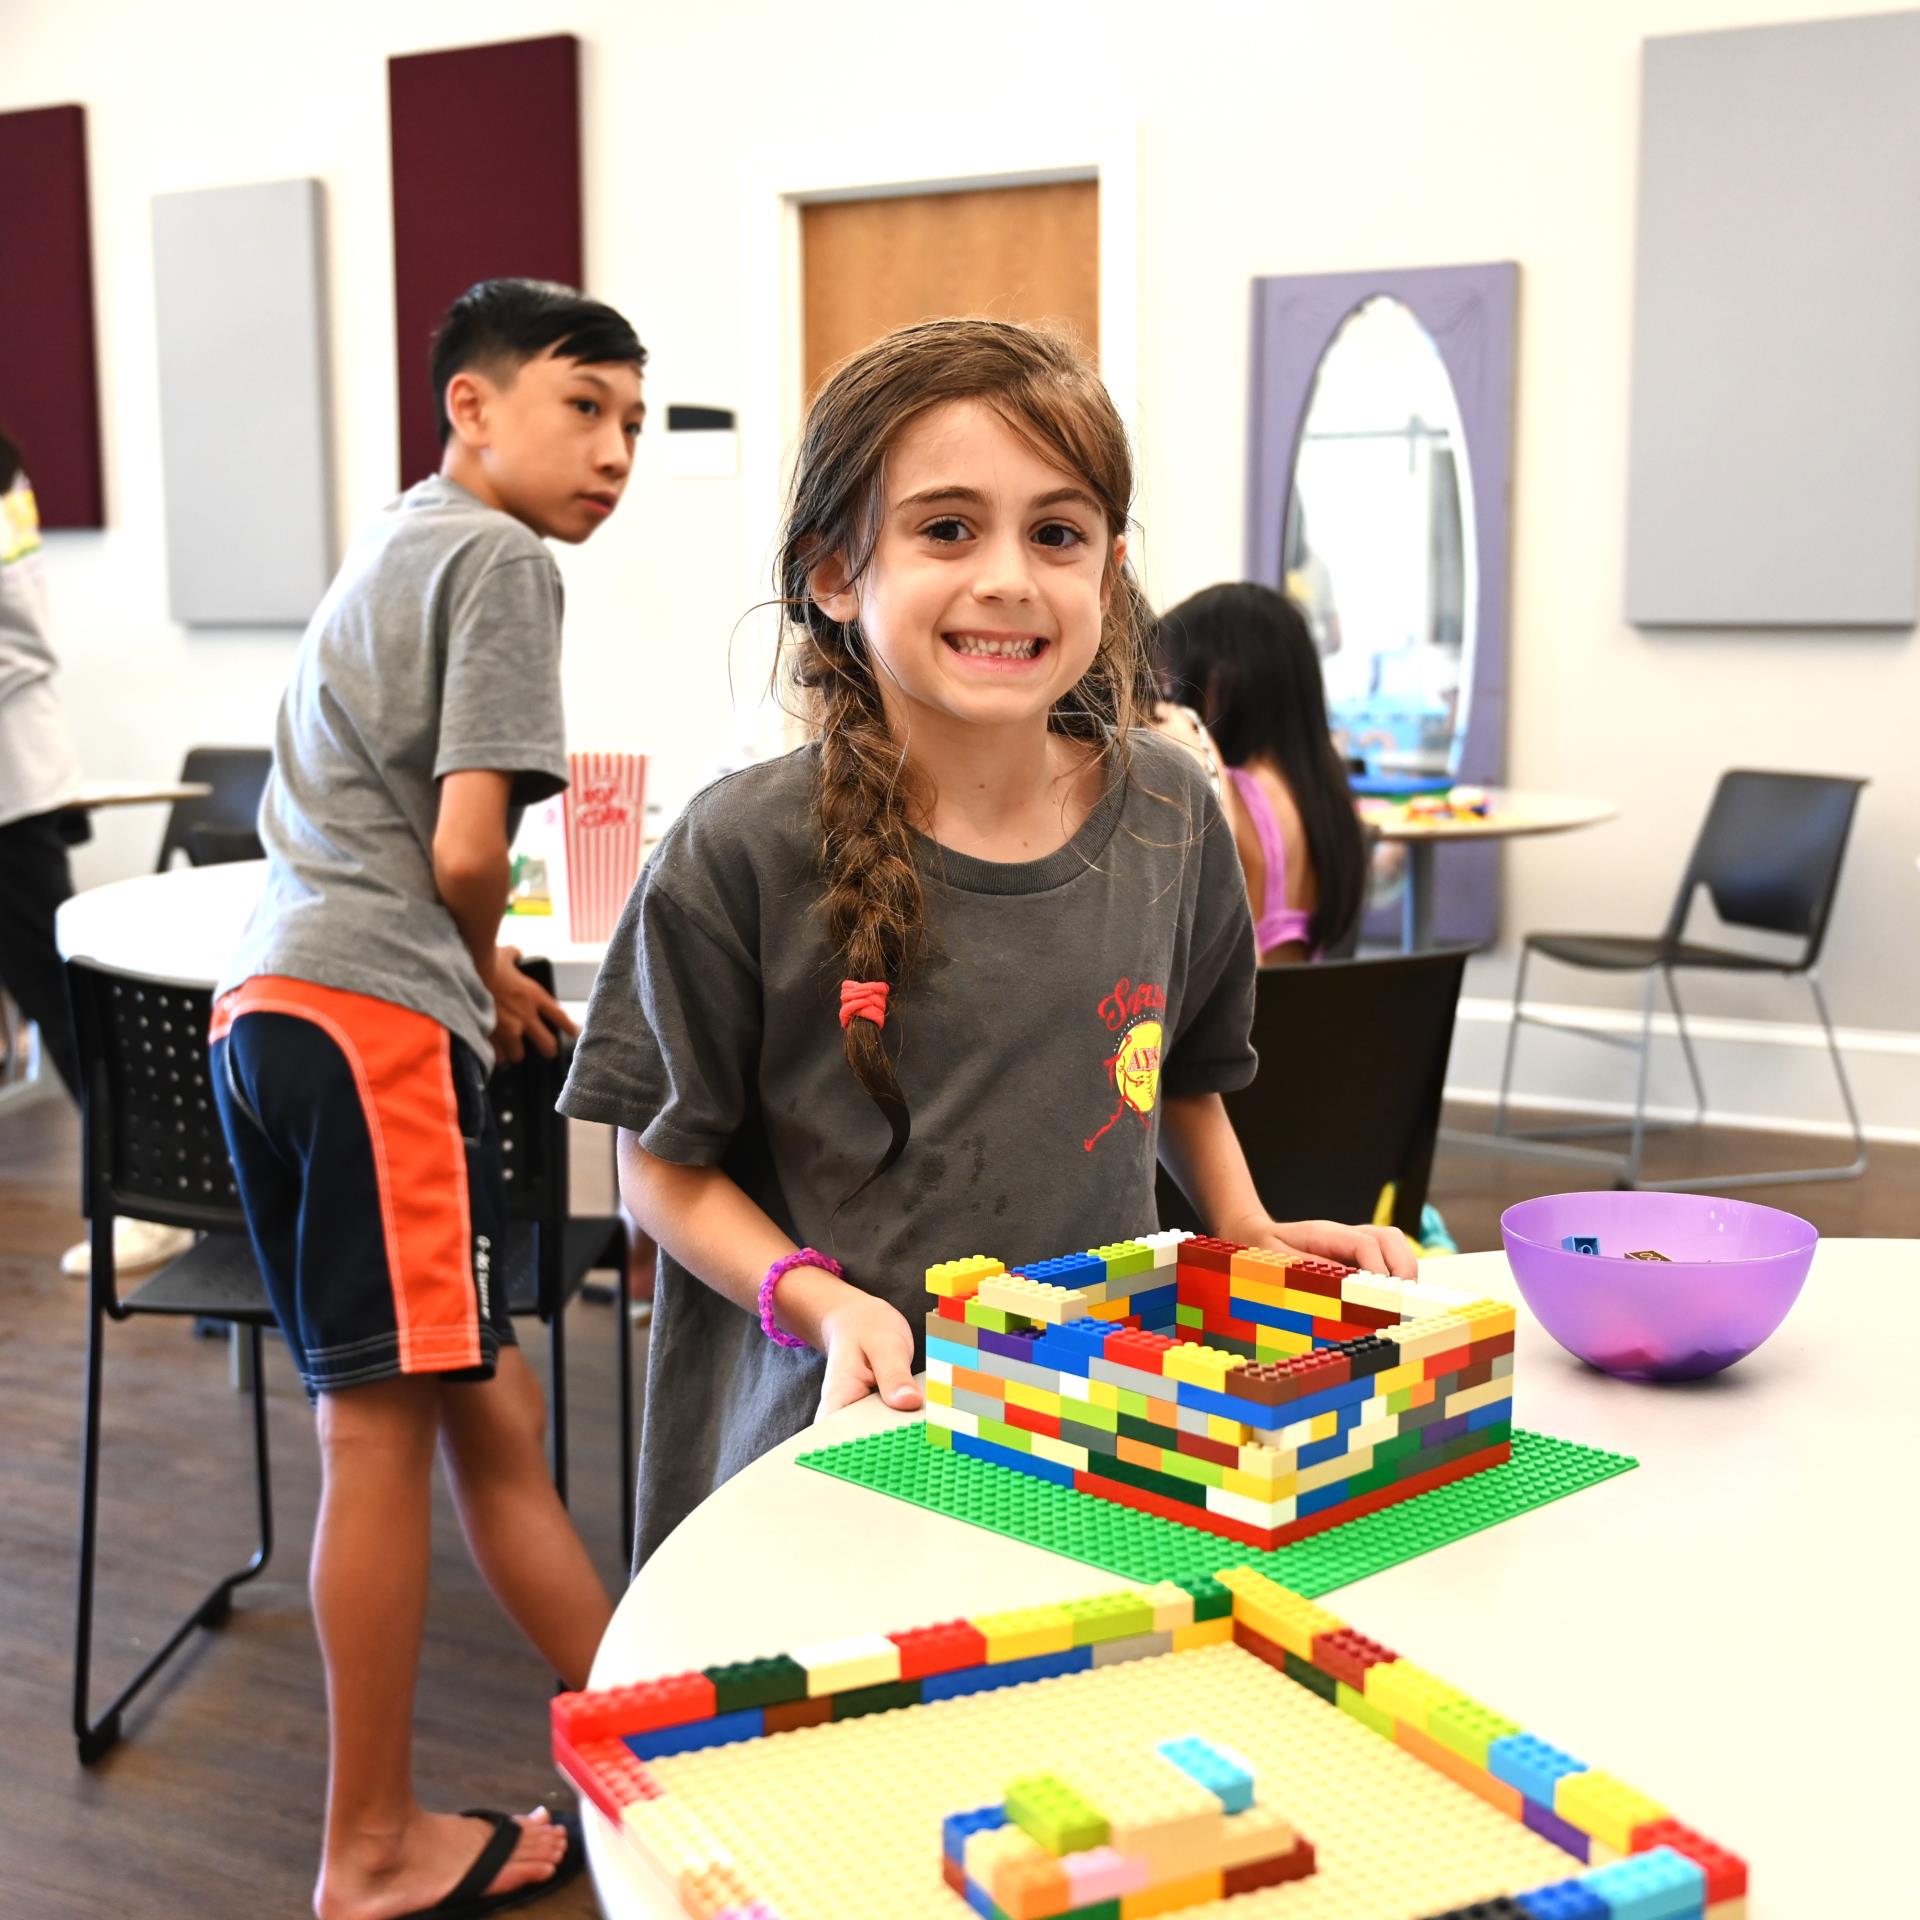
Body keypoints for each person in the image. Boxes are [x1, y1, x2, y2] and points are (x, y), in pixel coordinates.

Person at [557, 318, 1416, 1572]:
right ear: (835, 573)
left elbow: (1172, 1072)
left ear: (1111, 572)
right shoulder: (734, 850)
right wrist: (824, 1300)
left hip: (1100, 1429)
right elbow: (661, 1171)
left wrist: (1245, 1221)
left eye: (1057, 533)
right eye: (948, 528)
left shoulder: (1178, 815)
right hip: (838, 1444)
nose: (1010, 577)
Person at [209, 279, 646, 1920]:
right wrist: (470, 968)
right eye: (580, 407)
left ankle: (647, 1729)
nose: (611, 451)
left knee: (491, 1410)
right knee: (379, 1437)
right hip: (374, 1022)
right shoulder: (503, 559)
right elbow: (470, 851)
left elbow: (380, 832)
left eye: (631, 423)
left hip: (275, 1011)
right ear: (472, 409)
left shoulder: (394, 544)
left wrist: (491, 979)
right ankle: (372, 1849)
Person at [1156, 581, 1368, 963]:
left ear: (1221, 679)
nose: (1171, 695)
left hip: (1251, 1013)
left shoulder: (1232, 791)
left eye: (1176, 680)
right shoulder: (1322, 792)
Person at [0, 429, 85, 1101]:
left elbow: (21, 638)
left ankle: (149, 1173)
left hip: (13, 787)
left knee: (63, 1004)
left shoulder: (4, 480)